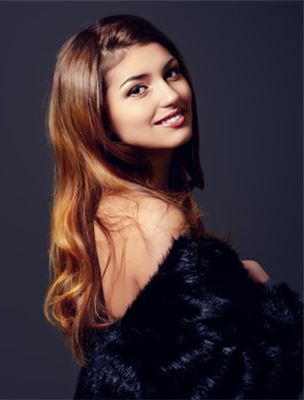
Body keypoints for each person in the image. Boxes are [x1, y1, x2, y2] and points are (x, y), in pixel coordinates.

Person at [42, 14, 302, 399]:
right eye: (137, 89)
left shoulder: (101, 214)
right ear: (99, 118)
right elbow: (227, 390)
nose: (170, 95)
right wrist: (272, 307)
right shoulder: (156, 219)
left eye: (172, 73)